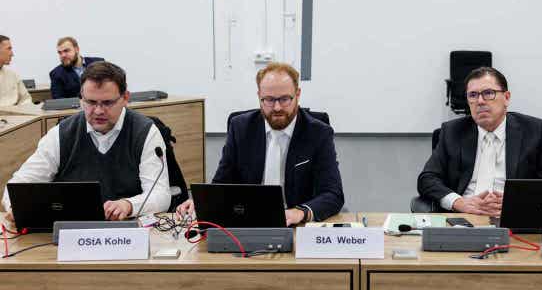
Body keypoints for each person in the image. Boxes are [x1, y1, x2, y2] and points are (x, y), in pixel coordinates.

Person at [177, 62, 344, 225]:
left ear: (298, 95)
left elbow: (333, 194)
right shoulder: (240, 128)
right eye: (269, 100)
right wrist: (201, 203)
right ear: (259, 96)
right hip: (248, 222)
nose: (277, 107)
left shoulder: (318, 133)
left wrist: (300, 212)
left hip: (296, 225)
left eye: (285, 99)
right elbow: (222, 184)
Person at [2, 61, 171, 222]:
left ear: (125, 98)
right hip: (71, 231)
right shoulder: (62, 133)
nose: (98, 111)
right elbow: (18, 185)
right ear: (81, 98)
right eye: (90, 102)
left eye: (107, 103)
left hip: (130, 230)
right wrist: (14, 207)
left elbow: (160, 194)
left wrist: (128, 205)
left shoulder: (145, 131)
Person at [417, 67, 542, 216]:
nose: (480, 101)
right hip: (464, 218)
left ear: (506, 98)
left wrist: (517, 201)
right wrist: (459, 202)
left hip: (514, 217)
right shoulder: (452, 131)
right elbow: (427, 179)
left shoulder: (534, 130)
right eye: (473, 95)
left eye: (488, 93)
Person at [0, 35, 33, 106]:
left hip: (16, 115)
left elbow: (26, 99)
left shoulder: (12, 74)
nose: (12, 54)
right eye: (8, 49)